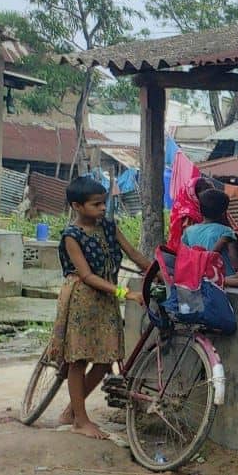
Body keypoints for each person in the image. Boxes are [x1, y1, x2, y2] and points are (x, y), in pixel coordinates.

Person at [49, 177, 151, 439]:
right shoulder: (72, 236)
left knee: (106, 359)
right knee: (79, 359)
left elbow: (133, 253)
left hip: (105, 298)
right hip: (82, 298)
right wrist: (124, 293)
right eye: (96, 204)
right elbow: (86, 276)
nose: (103, 208)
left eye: (104, 203)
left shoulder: (108, 226)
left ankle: (72, 410)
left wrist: (158, 272)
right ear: (77, 206)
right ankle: (81, 421)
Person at [182, 189, 238, 275]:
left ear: (200, 210)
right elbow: (235, 264)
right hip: (224, 278)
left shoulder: (189, 231)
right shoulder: (226, 232)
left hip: (198, 276)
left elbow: (183, 255)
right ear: (223, 212)